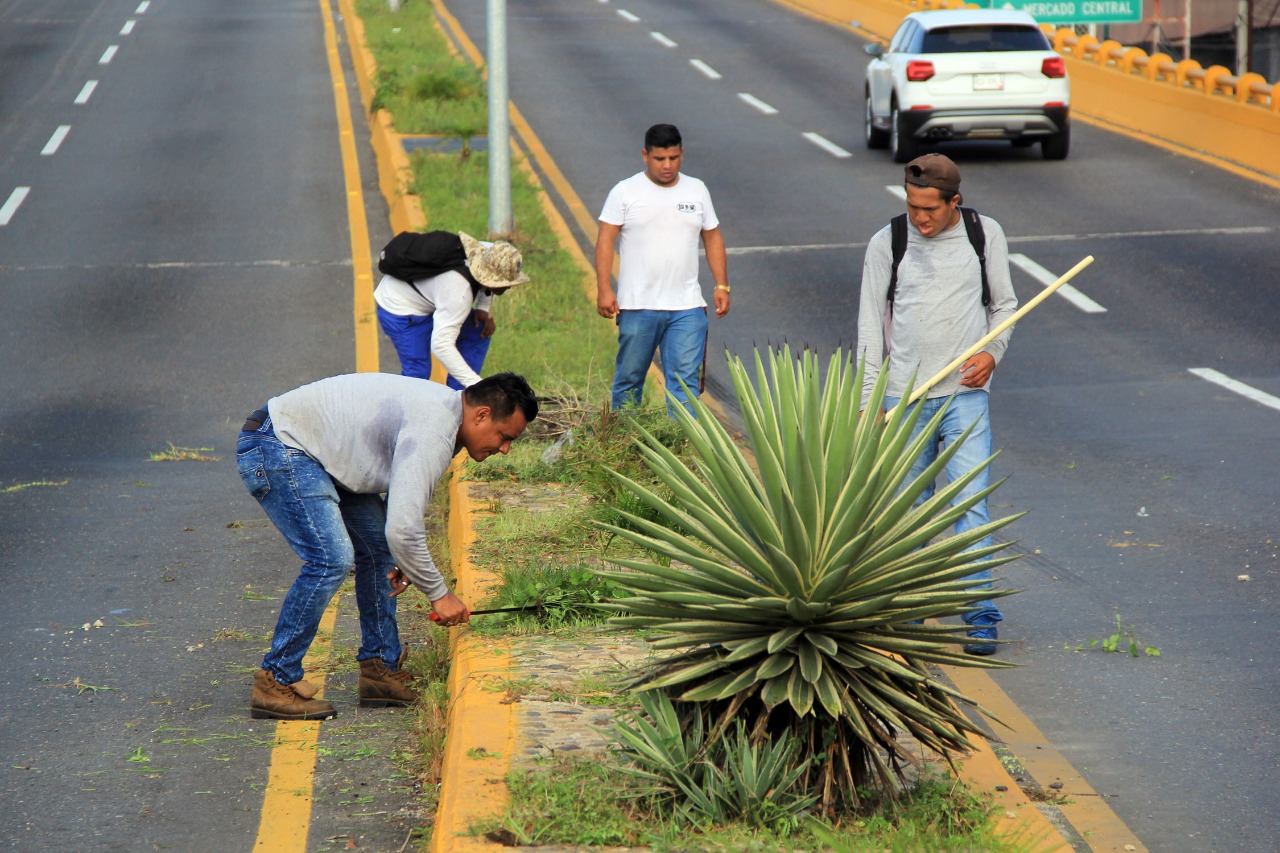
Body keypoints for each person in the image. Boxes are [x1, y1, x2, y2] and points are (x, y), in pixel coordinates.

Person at [236, 371, 538, 719]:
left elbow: (400, 513)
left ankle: (379, 669)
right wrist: (441, 595)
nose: (505, 448)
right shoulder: (434, 428)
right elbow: (404, 528)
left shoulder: (446, 418)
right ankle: (276, 678)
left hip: (318, 455)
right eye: (504, 436)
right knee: (331, 559)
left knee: (381, 551)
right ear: (482, 414)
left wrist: (406, 560)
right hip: (279, 444)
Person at [856, 153, 1018, 656]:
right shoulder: (889, 242)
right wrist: (867, 403)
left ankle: (980, 617)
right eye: (912, 206)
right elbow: (869, 328)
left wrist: (992, 353)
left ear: (955, 202)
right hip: (903, 397)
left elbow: (1004, 305)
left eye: (930, 208)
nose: (920, 218)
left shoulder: (983, 234)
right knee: (909, 511)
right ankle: (910, 606)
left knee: (971, 505)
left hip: (966, 397)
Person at [595, 123, 731, 415]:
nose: (667, 165)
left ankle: (681, 451)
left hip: (687, 308)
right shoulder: (625, 191)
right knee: (630, 381)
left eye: (673, 158)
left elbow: (712, 235)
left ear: (682, 153)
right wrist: (604, 289)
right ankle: (624, 448)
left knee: (685, 386)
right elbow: (605, 239)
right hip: (638, 306)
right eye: (659, 159)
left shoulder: (697, 189)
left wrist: (722, 285)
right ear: (645, 155)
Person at [375, 232, 530, 389]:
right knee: (417, 376)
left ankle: (459, 398)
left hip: (434, 299)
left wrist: (482, 309)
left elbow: (488, 282)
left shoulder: (488, 251)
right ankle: (394, 410)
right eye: (505, 283)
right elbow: (441, 345)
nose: (510, 286)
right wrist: (477, 384)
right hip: (400, 309)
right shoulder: (459, 292)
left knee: (478, 330)